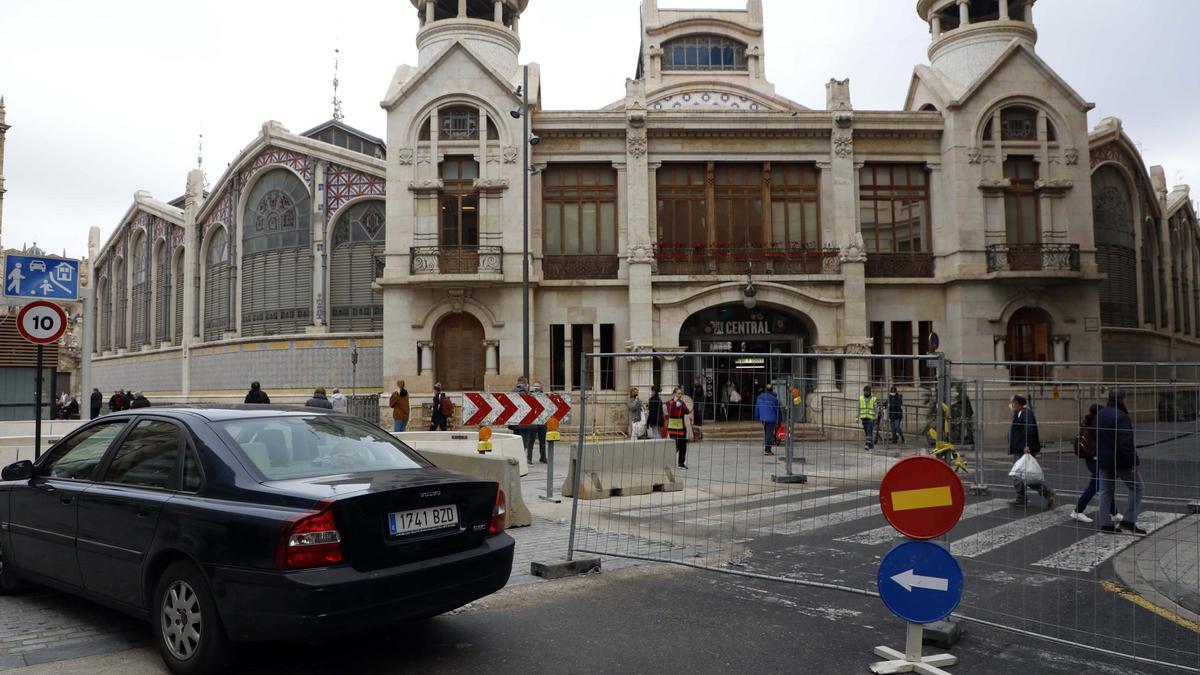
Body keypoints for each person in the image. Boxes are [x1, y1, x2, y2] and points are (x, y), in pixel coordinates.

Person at [1097, 390, 1145, 535]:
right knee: (1137, 487)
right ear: (1122, 400)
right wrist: (1134, 461)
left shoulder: (1101, 414)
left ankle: (1105, 524)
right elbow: (1125, 442)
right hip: (1120, 459)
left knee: (1105, 491)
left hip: (1104, 459)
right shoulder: (1121, 417)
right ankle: (1129, 521)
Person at [1070, 404, 1120, 524]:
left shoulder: (1090, 422)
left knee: (1104, 483)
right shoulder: (1095, 425)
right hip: (1094, 459)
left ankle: (1114, 512)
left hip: (1094, 458)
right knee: (1097, 484)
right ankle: (1078, 511)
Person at [1008, 394, 1055, 508]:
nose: (1010, 404)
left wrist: (1026, 445)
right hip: (1019, 448)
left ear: (1017, 403)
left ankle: (1040, 494)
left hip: (1024, 449)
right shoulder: (1018, 413)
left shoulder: (1026, 413)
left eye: (1012, 401)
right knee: (1024, 475)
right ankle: (1025, 497)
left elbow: (1029, 430)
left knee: (1019, 474)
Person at [665, 387, 691, 469]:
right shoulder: (669, 402)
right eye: (678, 393)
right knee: (675, 446)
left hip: (681, 428)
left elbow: (687, 411)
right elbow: (670, 411)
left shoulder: (682, 402)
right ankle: (668, 462)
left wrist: (681, 406)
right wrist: (674, 402)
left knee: (683, 446)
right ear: (674, 394)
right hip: (673, 429)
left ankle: (681, 463)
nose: (680, 395)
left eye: (680, 393)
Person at [755, 383, 782, 456]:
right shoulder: (774, 399)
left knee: (767, 431)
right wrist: (779, 419)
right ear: (772, 389)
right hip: (771, 418)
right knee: (769, 433)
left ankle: (768, 446)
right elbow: (778, 410)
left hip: (763, 418)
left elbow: (757, 408)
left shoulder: (760, 397)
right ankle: (767, 449)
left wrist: (757, 416)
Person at [531, 381, 548, 464]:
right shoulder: (530, 396)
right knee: (531, 440)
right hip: (533, 421)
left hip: (542, 421)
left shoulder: (544, 396)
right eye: (535, 386)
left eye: (538, 386)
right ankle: (529, 457)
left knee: (542, 440)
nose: (536, 387)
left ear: (541, 388)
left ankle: (543, 456)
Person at [859, 385, 878, 450]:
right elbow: (858, 408)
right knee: (867, 432)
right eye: (865, 391)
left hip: (871, 418)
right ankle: (871, 445)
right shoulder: (861, 398)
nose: (866, 392)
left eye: (867, 391)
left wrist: (876, 417)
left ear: (870, 392)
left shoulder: (873, 399)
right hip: (863, 417)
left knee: (869, 430)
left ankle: (867, 444)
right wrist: (857, 417)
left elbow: (876, 409)